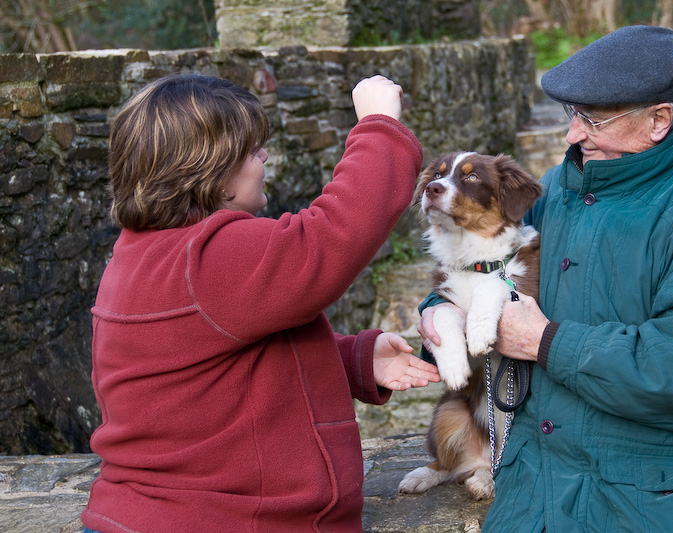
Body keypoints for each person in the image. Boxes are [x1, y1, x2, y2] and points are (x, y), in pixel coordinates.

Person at [419, 25, 673, 531]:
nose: (573, 134)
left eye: (593, 119)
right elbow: (480, 269)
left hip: (661, 504)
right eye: (572, 114)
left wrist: (545, 342)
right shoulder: (557, 192)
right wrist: (436, 311)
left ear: (658, 120)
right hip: (536, 495)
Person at [81, 72, 440, 533]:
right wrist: (378, 127)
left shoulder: (141, 256)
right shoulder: (209, 256)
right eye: (252, 150)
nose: (264, 156)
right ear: (212, 171)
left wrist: (351, 359)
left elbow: (214, 374)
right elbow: (331, 237)